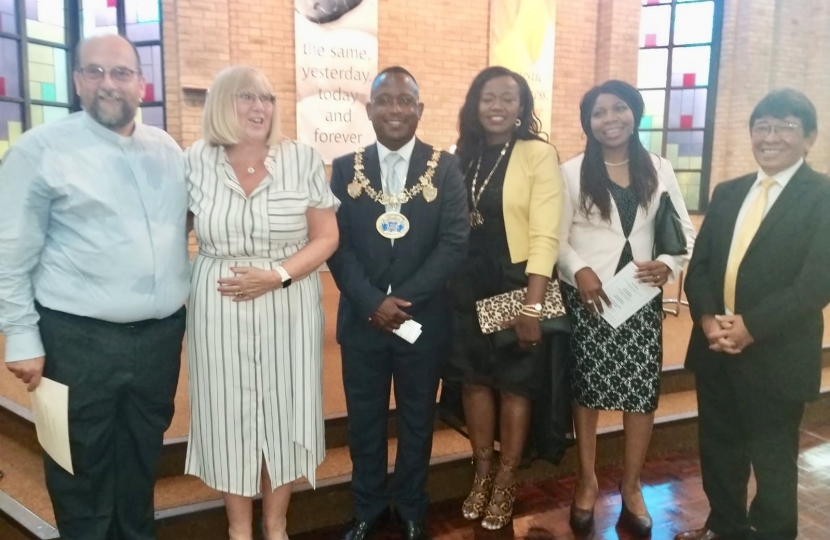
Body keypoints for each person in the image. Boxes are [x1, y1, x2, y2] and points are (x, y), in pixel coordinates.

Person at [0, 35, 189, 540]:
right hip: (75, 341)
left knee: (141, 460)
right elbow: (9, 252)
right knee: (78, 467)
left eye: (122, 73)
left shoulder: (167, 149)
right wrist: (21, 336)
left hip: (158, 340)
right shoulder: (39, 151)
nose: (109, 84)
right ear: (78, 81)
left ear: (141, 84)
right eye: (96, 72)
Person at [183, 65, 339, 540]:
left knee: (285, 409)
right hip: (218, 306)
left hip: (287, 303)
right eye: (246, 98)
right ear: (222, 105)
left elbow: (327, 236)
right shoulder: (195, 160)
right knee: (229, 414)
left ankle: (275, 526)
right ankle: (238, 530)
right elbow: (170, 233)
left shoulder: (302, 158)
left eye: (267, 98)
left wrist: (276, 275)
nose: (259, 108)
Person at [676, 89, 830, 540]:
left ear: (809, 137)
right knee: (719, 450)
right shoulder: (728, 192)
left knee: (772, 459)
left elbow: (815, 283)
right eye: (761, 126)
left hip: (776, 352)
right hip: (716, 347)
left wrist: (751, 328)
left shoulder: (823, 196)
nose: (770, 136)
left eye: (785, 126)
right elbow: (699, 266)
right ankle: (723, 528)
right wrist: (707, 321)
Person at [327, 66, 469, 540]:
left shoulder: (445, 166)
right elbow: (337, 244)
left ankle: (410, 507)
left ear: (419, 110)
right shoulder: (346, 167)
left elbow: (453, 243)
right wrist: (372, 302)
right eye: (384, 100)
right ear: (368, 110)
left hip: (420, 323)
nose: (394, 109)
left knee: (416, 421)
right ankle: (367, 508)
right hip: (362, 321)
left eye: (404, 100)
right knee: (364, 424)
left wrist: (401, 302)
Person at [557, 80, 695, 536]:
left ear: (634, 114)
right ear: (588, 121)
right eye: (599, 112)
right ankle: (587, 479)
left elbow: (682, 232)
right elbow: (555, 239)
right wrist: (578, 271)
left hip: (639, 297)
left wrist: (670, 264)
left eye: (619, 109)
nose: (610, 119)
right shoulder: (572, 171)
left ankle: (632, 485)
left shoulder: (658, 168)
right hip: (591, 297)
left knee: (640, 394)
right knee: (588, 390)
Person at [443, 66, 564, 531]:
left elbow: (545, 233)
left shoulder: (538, 154)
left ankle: (508, 477)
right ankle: (483, 472)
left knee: (514, 381)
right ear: (474, 104)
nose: (496, 106)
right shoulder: (462, 156)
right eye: (487, 97)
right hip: (467, 286)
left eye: (507, 98)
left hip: (516, 281)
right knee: (474, 379)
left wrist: (533, 305)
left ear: (521, 108)